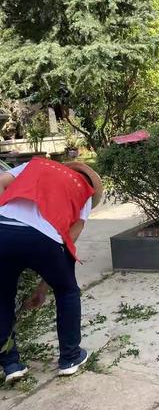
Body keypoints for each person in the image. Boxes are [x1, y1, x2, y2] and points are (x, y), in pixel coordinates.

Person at [0, 157, 103, 383]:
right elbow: (68, 241)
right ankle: (70, 358)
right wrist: (43, 288)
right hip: (44, 240)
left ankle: (11, 365)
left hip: (3, 230)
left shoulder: (36, 164)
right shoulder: (83, 191)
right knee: (67, 292)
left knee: (2, 298)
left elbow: (1, 181)